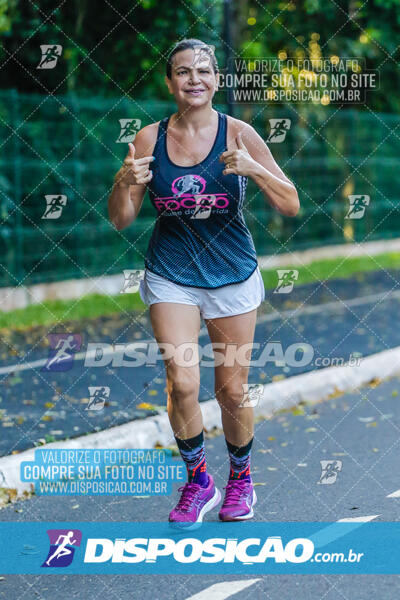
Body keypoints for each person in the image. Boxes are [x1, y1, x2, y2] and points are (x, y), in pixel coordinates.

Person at [108, 39, 299, 527]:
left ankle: (240, 480)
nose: (193, 79)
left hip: (232, 273)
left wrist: (254, 168)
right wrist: (124, 180)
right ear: (169, 81)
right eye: (182, 71)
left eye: (203, 71)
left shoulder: (239, 133)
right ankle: (198, 481)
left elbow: (291, 204)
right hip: (172, 272)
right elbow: (121, 220)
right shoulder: (149, 140)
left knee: (231, 392)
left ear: (216, 80)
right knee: (183, 382)